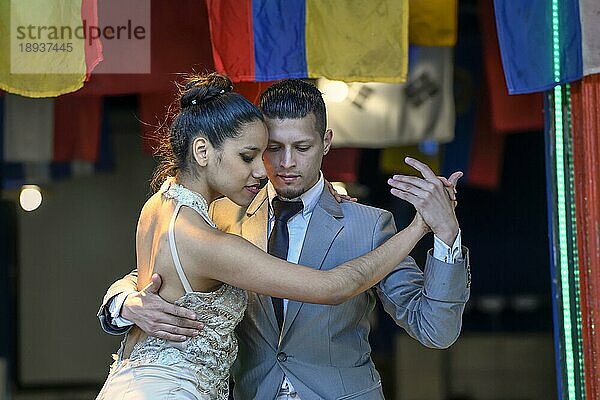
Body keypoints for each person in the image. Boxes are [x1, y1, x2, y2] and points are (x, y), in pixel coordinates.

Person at [98, 78, 470, 400]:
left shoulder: (368, 226)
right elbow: (161, 272)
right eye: (271, 149)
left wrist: (445, 235)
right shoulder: (222, 214)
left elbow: (435, 329)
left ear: (325, 142)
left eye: (302, 148)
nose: (285, 163)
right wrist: (124, 303)